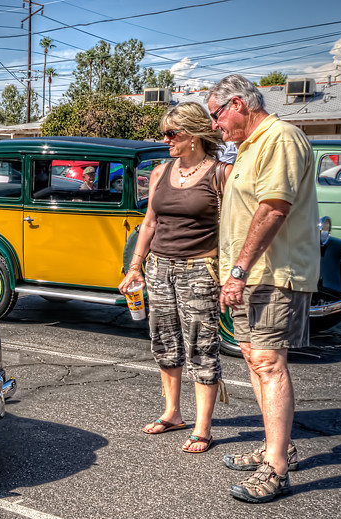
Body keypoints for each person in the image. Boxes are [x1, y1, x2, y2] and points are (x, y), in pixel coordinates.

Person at [208, 74, 319, 503]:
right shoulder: (250, 147)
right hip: (248, 274)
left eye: (217, 116)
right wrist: (232, 273)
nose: (217, 126)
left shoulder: (282, 138)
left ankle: (277, 468)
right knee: (255, 359)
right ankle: (278, 446)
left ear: (237, 103)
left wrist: (237, 271)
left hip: (275, 273)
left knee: (269, 362)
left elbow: (273, 209)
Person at [119, 101, 226, 455]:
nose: (165, 139)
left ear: (193, 135)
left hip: (200, 269)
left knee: (200, 345)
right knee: (164, 341)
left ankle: (203, 427)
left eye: (171, 133)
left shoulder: (220, 175)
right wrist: (135, 266)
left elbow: (231, 228)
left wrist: (231, 274)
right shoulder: (161, 172)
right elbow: (150, 222)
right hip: (159, 268)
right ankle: (173, 413)